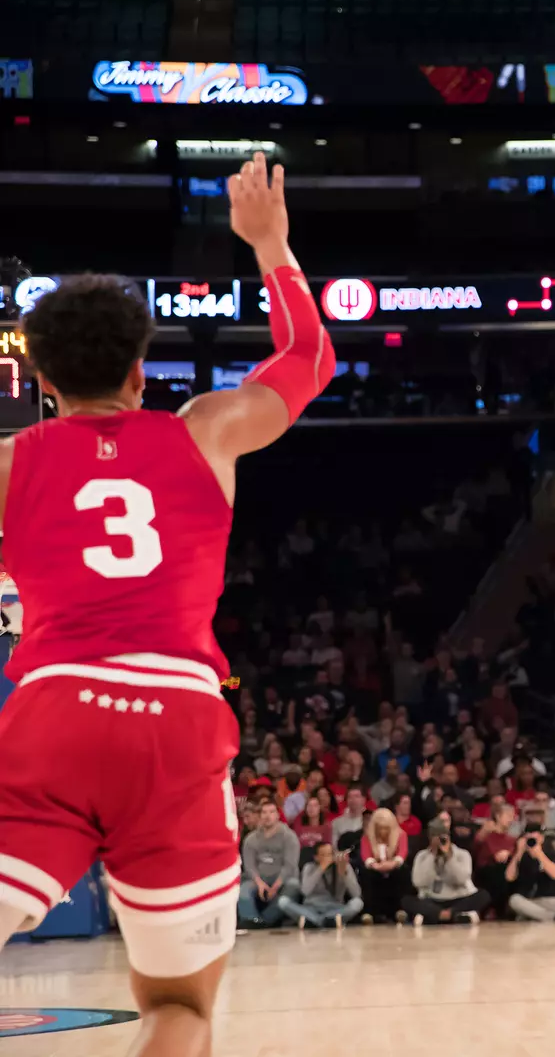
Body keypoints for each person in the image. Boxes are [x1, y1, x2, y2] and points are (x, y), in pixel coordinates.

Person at [0, 151, 333, 1053]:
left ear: (43, 384)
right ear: (143, 373)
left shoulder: (11, 464)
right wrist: (271, 245)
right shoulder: (205, 431)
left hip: (53, 711)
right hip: (179, 720)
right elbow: (309, 355)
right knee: (179, 1009)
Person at [402, 826, 489, 925]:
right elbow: (418, 882)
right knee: (406, 900)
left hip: (458, 897)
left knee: (483, 895)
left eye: (443, 838)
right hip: (432, 898)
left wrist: (449, 857)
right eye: (435, 838)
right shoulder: (422, 856)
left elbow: (461, 879)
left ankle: (438, 915)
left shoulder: (463, 854)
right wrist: (432, 855)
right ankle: (452, 915)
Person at [238, 801, 300, 930]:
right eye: (264, 812)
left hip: (283, 878)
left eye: (271, 812)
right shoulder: (251, 839)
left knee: (293, 886)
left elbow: (290, 865)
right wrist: (259, 883)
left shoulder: (289, 836)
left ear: (277, 815)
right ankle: (252, 919)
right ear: (260, 816)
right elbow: (249, 865)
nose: (267, 816)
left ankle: (266, 921)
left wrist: (276, 885)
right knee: (243, 890)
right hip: (259, 878)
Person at [277, 842, 364, 929]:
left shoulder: (344, 866)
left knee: (358, 903)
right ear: (316, 857)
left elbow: (356, 893)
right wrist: (321, 868)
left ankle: (316, 921)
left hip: (335, 908)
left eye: (330, 854)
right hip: (311, 908)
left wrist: (344, 874)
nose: (328, 857)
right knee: (283, 901)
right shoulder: (309, 867)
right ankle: (327, 921)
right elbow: (305, 891)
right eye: (324, 855)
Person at [504, 827, 555, 922]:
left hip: (547, 900)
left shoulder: (550, 852)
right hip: (526, 899)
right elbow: (509, 877)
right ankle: (551, 917)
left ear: (541, 838)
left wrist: (539, 854)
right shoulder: (519, 853)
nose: (531, 842)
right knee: (514, 900)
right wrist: (518, 852)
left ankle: (531, 915)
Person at [358, 808, 408, 922]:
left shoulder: (401, 835)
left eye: (386, 828)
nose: (383, 831)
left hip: (393, 866)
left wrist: (393, 863)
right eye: (379, 828)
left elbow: (402, 852)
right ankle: (369, 912)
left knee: (402, 871)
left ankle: (399, 910)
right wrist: (375, 865)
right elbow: (366, 855)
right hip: (375, 867)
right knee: (366, 873)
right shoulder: (367, 837)